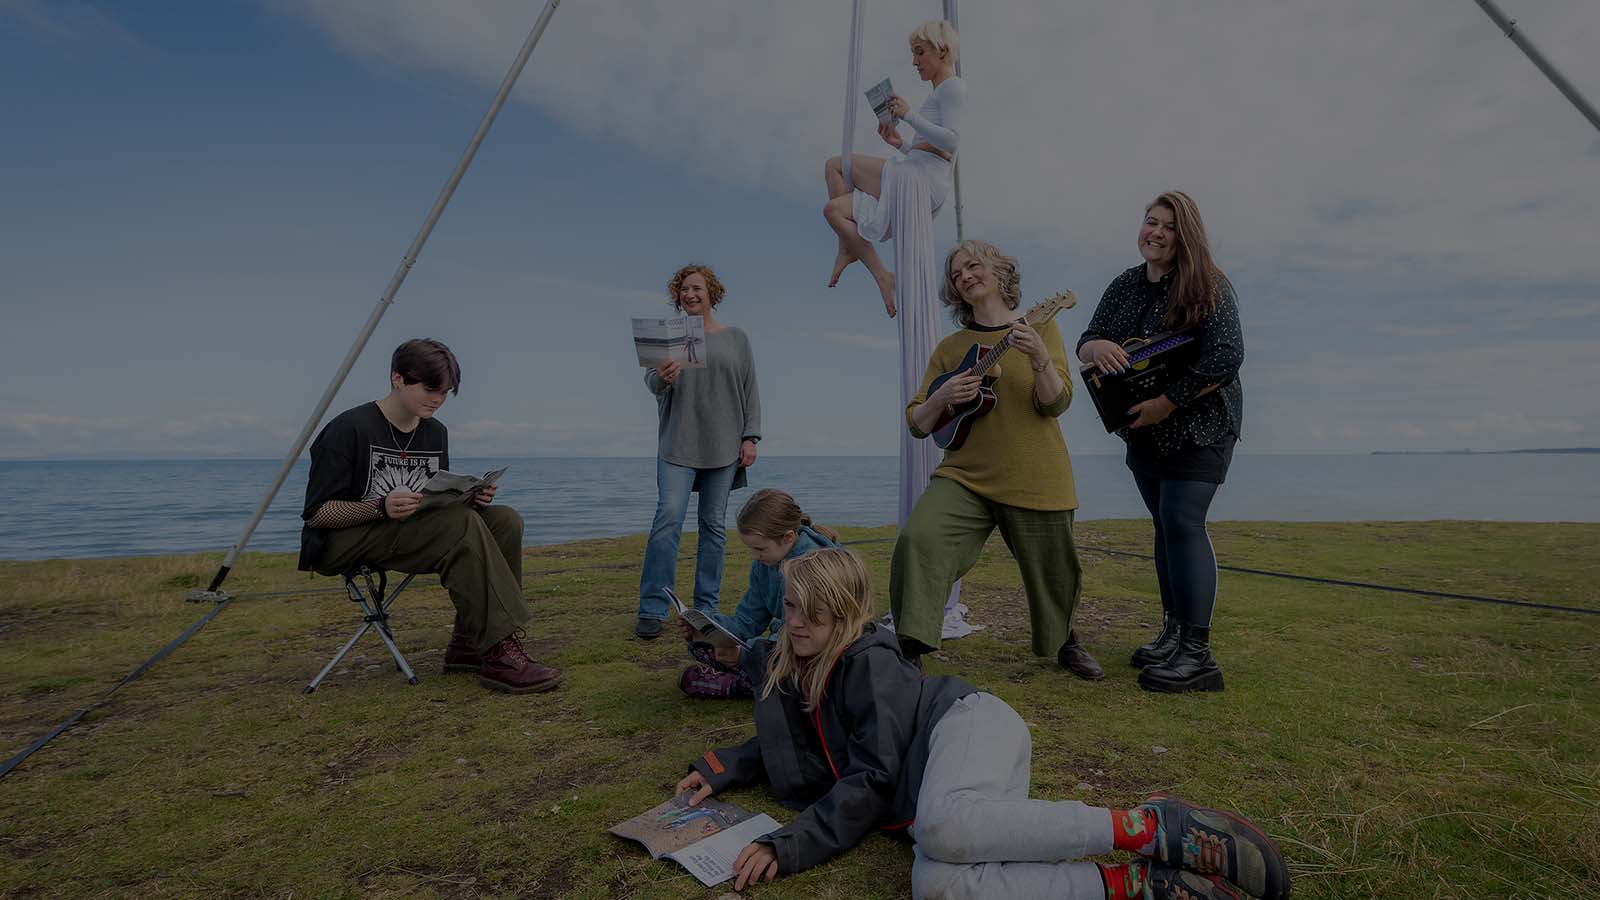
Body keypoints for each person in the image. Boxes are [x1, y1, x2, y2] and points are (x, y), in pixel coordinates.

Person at [674, 548, 1290, 900]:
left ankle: (1149, 827)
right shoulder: (802, 662)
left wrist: (788, 845)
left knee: (942, 828)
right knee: (935, 886)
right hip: (936, 792)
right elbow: (799, 743)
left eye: (818, 612)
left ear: (849, 614)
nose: (799, 622)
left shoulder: (867, 661)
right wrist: (722, 768)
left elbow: (871, 777)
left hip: (967, 726)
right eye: (790, 608)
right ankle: (1134, 887)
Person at [297, 338, 561, 694]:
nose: (437, 399)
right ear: (398, 379)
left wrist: (472, 498)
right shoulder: (349, 428)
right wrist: (380, 506)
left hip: (406, 531)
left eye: (446, 392)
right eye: (430, 388)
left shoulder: (435, 432)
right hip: (345, 539)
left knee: (504, 520)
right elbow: (317, 514)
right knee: (459, 525)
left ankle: (468, 643)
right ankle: (500, 652)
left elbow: (433, 499)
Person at [890, 239, 1103, 679]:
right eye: (956, 275)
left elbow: (1056, 403)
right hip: (964, 474)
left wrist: (1040, 358)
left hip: (1035, 472)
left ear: (999, 272)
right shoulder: (951, 348)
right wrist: (944, 396)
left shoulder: (1041, 328)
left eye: (973, 266)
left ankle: (1063, 642)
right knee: (919, 538)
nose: (965, 277)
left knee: (1054, 571)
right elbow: (917, 421)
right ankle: (911, 643)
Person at [1078, 191, 1245, 694]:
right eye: (1151, 222)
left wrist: (1166, 404)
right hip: (1142, 428)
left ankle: (1198, 656)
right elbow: (1088, 336)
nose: (1156, 233)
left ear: (1185, 235)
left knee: (1182, 521)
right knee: (1163, 527)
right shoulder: (1126, 284)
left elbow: (1226, 355)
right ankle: (1173, 634)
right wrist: (1096, 346)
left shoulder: (1209, 284)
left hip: (1200, 425)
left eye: (1169, 227)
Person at [636, 263, 762, 639]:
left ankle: (706, 609)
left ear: (711, 292)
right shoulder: (669, 337)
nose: (689, 295)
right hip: (678, 443)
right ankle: (652, 609)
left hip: (724, 445)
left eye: (696, 288)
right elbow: (652, 383)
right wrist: (663, 377)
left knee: (713, 527)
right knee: (668, 519)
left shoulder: (736, 338)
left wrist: (750, 437)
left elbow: (750, 389)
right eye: (683, 290)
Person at [824, 19, 966, 319]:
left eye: (920, 53)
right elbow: (933, 149)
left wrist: (909, 114)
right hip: (917, 169)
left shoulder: (951, 87)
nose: (915, 62)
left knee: (836, 166)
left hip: (921, 179)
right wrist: (899, 143)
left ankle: (848, 248)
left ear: (942, 50)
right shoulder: (939, 92)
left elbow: (952, 141)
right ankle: (880, 273)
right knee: (834, 211)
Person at [676, 488, 838, 699]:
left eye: (760, 549)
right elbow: (748, 619)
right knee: (702, 647)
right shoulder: (766, 564)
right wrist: (706, 627)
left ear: (788, 537)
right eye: (751, 549)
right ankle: (748, 679)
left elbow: (804, 635)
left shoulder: (814, 567)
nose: (754, 556)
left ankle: (738, 684)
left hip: (817, 652)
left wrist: (747, 654)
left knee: (782, 672)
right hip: (781, 646)